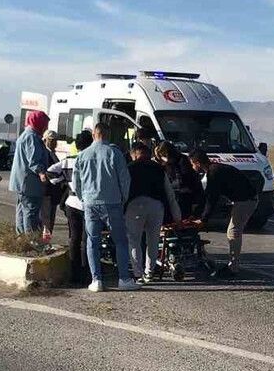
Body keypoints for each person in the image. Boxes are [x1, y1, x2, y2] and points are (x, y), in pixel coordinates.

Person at [72, 122, 140, 292]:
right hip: (112, 202)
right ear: (107, 134)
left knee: (92, 241)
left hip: (90, 203)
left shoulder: (82, 155)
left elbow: (76, 182)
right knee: (120, 241)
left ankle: (97, 280)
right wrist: (123, 198)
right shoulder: (115, 153)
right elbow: (125, 179)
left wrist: (83, 198)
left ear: (94, 134)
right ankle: (124, 278)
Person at [189, 149, 258, 278]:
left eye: (192, 164)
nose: (193, 167)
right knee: (233, 231)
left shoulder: (213, 172)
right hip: (242, 200)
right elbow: (208, 197)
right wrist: (198, 214)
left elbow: (211, 199)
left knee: (233, 232)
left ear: (197, 163)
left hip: (245, 201)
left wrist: (203, 219)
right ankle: (233, 265)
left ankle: (233, 268)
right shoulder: (214, 169)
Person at [126, 141, 181, 282]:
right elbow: (170, 194)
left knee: (134, 241)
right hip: (156, 207)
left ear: (134, 154)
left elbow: (123, 191)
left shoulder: (129, 168)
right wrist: (177, 217)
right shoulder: (158, 168)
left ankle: (138, 274)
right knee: (153, 240)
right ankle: (149, 272)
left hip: (134, 206)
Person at [50, 130, 94, 285]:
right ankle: (86, 273)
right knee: (86, 239)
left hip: (71, 202)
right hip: (87, 203)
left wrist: (64, 180)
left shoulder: (68, 160)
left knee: (74, 238)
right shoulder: (92, 160)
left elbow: (51, 173)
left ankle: (74, 274)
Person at [8, 110, 51, 234]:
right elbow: (34, 160)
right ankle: (31, 240)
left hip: (21, 182)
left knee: (21, 210)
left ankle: (21, 238)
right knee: (30, 212)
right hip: (29, 183)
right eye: (45, 124)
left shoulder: (26, 135)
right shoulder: (32, 137)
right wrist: (42, 173)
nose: (45, 128)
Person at [155, 142, 202, 216]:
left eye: (163, 156)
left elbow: (184, 178)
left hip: (184, 195)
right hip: (175, 194)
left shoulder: (182, 160)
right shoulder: (168, 164)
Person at [40, 130, 62, 242]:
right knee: (46, 220)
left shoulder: (53, 153)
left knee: (50, 219)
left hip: (53, 192)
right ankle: (44, 243)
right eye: (52, 140)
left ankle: (47, 241)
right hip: (47, 191)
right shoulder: (44, 153)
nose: (54, 143)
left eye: (55, 140)